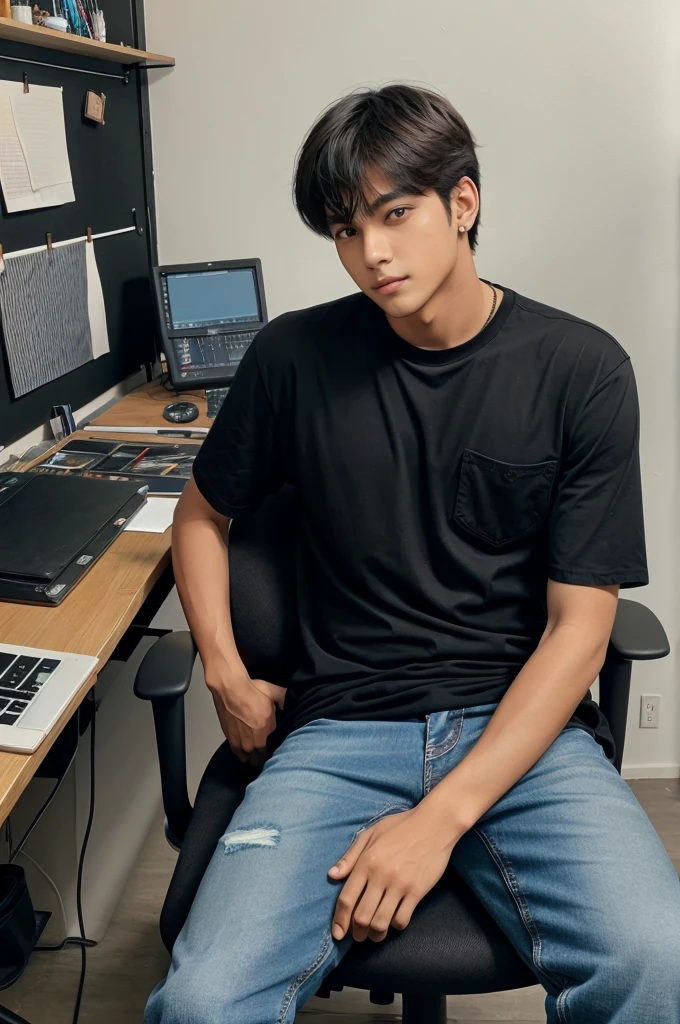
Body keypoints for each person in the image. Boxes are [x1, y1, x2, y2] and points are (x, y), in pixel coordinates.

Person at [145, 84, 680, 1024]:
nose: (372, 254)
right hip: (338, 727)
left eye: (396, 214)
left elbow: (581, 632)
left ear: (462, 203)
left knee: (658, 964)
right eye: (347, 231)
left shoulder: (581, 370)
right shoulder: (293, 358)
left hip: (523, 733)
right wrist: (227, 675)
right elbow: (200, 516)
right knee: (202, 1001)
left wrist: (439, 820)